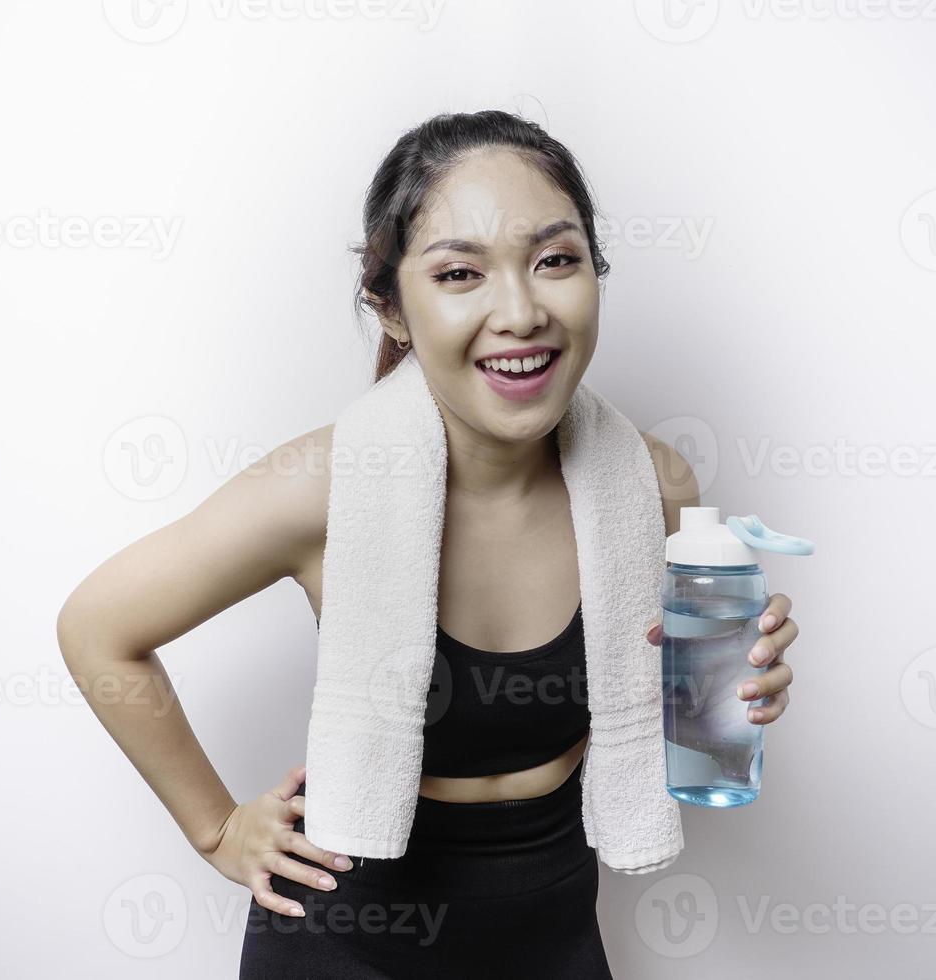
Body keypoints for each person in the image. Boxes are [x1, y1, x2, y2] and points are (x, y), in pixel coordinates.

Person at [56, 109, 801, 978]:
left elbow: (663, 722)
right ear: (393, 308)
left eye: (555, 260)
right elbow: (98, 627)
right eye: (459, 273)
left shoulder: (653, 486)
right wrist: (218, 829)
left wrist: (739, 681)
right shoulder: (323, 486)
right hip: (347, 937)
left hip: (553, 929)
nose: (519, 311)